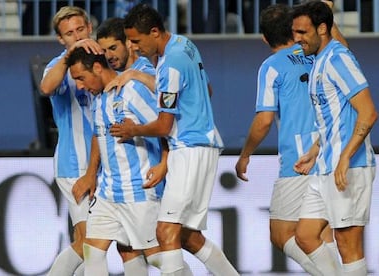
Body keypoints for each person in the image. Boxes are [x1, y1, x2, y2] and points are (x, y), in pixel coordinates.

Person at [110, 4, 239, 275]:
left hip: (190, 148)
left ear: (154, 32)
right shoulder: (184, 44)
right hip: (199, 144)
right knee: (186, 237)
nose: (133, 47)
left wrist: (132, 130)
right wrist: (138, 74)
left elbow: (164, 125)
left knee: (165, 231)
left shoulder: (170, 63)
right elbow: (207, 89)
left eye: (136, 40)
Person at [234, 3, 345, 275]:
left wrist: (245, 154)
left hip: (299, 158)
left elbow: (264, 121)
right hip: (331, 150)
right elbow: (344, 52)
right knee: (322, 231)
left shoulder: (271, 66)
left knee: (281, 233)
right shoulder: (319, 52)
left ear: (264, 38)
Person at [65, 46, 168, 276]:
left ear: (98, 68)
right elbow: (99, 137)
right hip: (108, 194)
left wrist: (164, 162)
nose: (80, 86)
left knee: (158, 258)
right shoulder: (98, 100)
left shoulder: (132, 91)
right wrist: (92, 174)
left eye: (81, 78)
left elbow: (166, 126)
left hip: (138, 192)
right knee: (92, 252)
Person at [292, 1, 377, 275]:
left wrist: (345, 156)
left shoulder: (339, 59)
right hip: (325, 164)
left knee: (347, 244)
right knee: (305, 235)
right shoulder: (321, 59)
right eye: (295, 32)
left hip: (349, 165)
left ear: (322, 29)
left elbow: (368, 112)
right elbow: (333, 116)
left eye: (302, 32)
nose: (296, 38)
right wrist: (316, 149)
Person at [39, 6, 102, 276]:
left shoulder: (106, 58)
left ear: (89, 28)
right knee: (89, 239)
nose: (76, 37)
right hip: (75, 165)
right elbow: (46, 87)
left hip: (110, 164)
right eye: (69, 34)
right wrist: (68, 58)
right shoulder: (59, 66)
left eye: (79, 30)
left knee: (100, 241)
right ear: (60, 40)